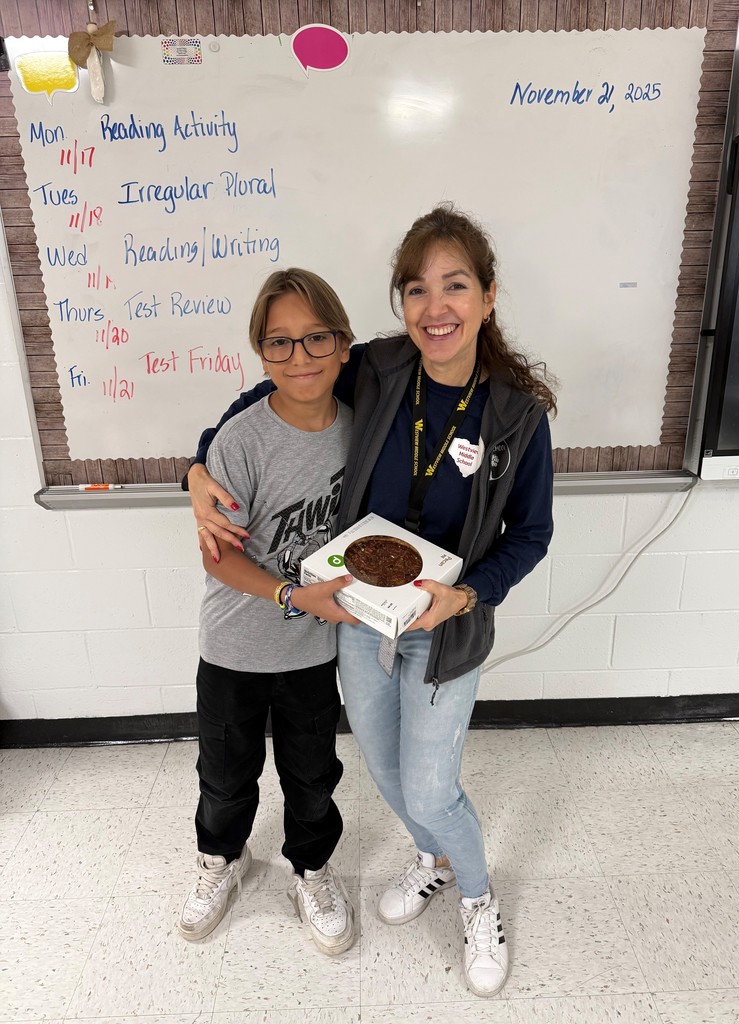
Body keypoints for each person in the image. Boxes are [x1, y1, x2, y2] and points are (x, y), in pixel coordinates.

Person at [187, 204, 556, 997]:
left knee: (429, 785)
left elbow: (530, 536)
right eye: (417, 289)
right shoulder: (382, 368)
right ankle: (432, 858)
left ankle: (477, 894)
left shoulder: (518, 418)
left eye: (456, 286)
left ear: (489, 296)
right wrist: (196, 467)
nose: (436, 307)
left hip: (444, 621)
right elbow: (283, 382)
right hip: (359, 614)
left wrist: (465, 597)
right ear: (400, 304)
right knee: (385, 770)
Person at [179, 268, 360, 957]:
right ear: (259, 353)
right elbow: (217, 557)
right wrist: (290, 595)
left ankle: (311, 868)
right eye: (278, 343)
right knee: (225, 775)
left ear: (343, 346)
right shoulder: (240, 440)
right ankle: (222, 860)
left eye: (316, 339)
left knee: (313, 775)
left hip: (313, 652)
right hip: (233, 649)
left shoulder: (361, 434)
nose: (299, 358)